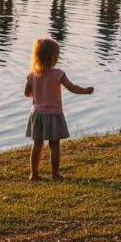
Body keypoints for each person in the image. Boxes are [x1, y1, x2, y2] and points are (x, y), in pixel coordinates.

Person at [24, 38, 94, 181]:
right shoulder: (58, 73)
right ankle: (55, 174)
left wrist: (38, 93)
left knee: (37, 144)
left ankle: (34, 174)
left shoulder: (31, 75)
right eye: (57, 56)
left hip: (37, 115)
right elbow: (72, 87)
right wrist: (86, 91)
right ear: (52, 57)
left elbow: (26, 93)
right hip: (54, 115)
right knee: (54, 145)